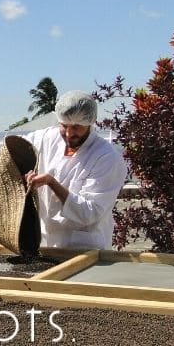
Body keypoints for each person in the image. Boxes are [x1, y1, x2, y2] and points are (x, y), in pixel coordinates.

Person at [23, 90, 127, 250]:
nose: (69, 133)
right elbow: (16, 149)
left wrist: (51, 183)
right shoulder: (46, 138)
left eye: (77, 127)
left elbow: (89, 212)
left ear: (89, 123)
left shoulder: (106, 157)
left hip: (85, 248)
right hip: (46, 244)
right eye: (64, 126)